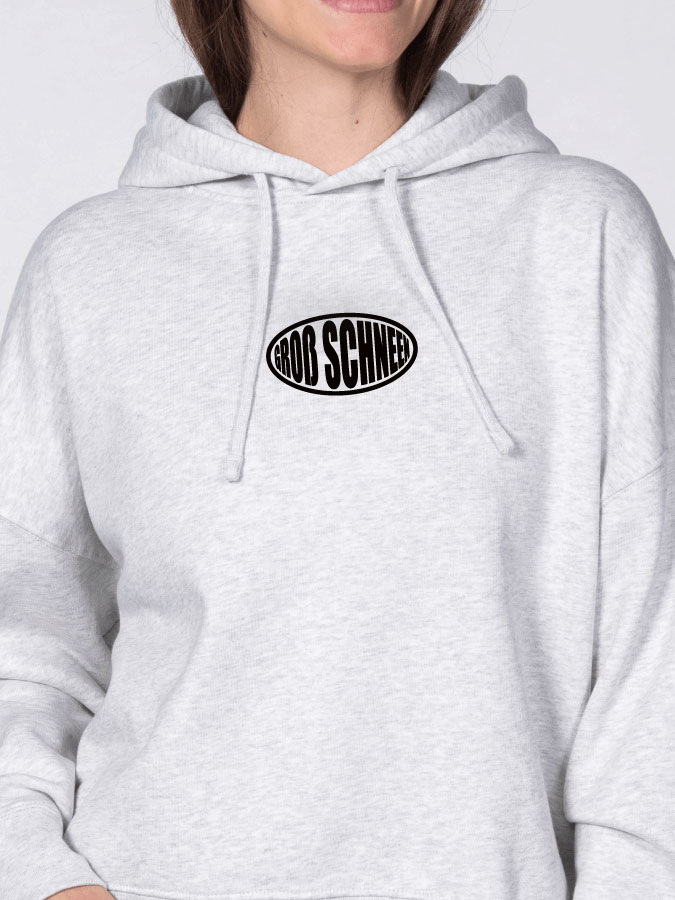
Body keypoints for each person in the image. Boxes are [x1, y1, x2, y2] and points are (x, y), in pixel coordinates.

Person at [1, 1, 674, 899]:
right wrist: (40, 876)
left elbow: (655, 656)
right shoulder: (90, 267)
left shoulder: (580, 234)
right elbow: (25, 646)